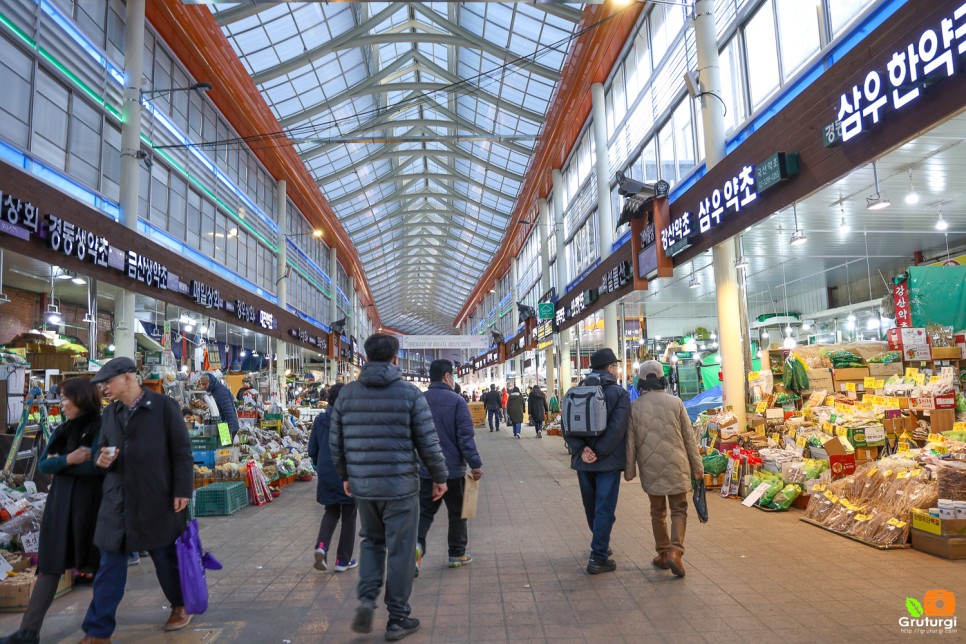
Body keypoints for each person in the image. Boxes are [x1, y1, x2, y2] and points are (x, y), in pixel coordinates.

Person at [330, 334, 448, 642]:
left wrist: (346, 474)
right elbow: (428, 441)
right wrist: (440, 476)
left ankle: (367, 599)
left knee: (371, 542)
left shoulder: (346, 395)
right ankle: (397, 617)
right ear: (395, 358)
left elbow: (336, 442)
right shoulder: (410, 394)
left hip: (364, 487)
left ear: (366, 358)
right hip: (401, 487)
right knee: (401, 550)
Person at [81, 357, 194, 642]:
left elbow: (181, 451)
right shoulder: (110, 414)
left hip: (156, 497)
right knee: (109, 565)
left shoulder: (164, 408)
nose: (104, 388)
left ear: (128, 378)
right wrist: (102, 458)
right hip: (117, 500)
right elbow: (102, 450)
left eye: (108, 382)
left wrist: (182, 489)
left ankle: (180, 604)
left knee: (165, 559)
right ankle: (98, 630)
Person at [0, 378, 103, 644]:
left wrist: (65, 466)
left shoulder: (100, 427)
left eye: (65, 398)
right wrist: (69, 460)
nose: (61, 404)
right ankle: (28, 631)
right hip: (59, 507)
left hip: (90, 508)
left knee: (99, 566)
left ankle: (98, 630)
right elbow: (45, 465)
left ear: (80, 399)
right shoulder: (63, 430)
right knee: (49, 566)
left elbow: (96, 465)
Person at [625, 361, 704, 578]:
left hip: (651, 467)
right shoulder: (675, 402)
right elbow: (689, 438)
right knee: (679, 509)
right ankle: (676, 552)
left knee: (657, 511)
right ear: (662, 378)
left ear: (641, 381)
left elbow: (630, 442)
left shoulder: (635, 407)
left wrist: (629, 470)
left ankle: (662, 552)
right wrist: (698, 467)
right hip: (677, 464)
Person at [563, 348, 630, 575]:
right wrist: (599, 453)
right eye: (616, 366)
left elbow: (567, 426)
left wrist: (582, 450)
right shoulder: (619, 393)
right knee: (604, 508)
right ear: (610, 368)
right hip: (607, 462)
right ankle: (599, 556)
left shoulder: (575, 391)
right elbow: (617, 429)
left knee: (591, 506)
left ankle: (600, 544)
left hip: (583, 461)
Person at [416, 360, 483, 576]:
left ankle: (415, 548)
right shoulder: (457, 401)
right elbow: (465, 437)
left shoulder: (419, 400)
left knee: (424, 513)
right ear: (447, 376)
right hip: (452, 470)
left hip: (425, 469)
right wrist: (475, 464)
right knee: (457, 513)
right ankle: (456, 553)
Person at [307, 383, 356, 573]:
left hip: (327, 473)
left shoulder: (320, 420)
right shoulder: (352, 421)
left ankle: (321, 546)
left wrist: (320, 466)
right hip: (348, 473)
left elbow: (312, 450)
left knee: (331, 512)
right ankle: (343, 561)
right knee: (349, 516)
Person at [199, 372, 239, 436]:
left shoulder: (221, 393)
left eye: (205, 384)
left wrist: (229, 432)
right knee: (221, 445)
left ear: (211, 382)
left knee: (225, 445)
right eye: (202, 384)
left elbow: (229, 414)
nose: (203, 387)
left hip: (227, 426)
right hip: (223, 425)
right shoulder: (214, 390)